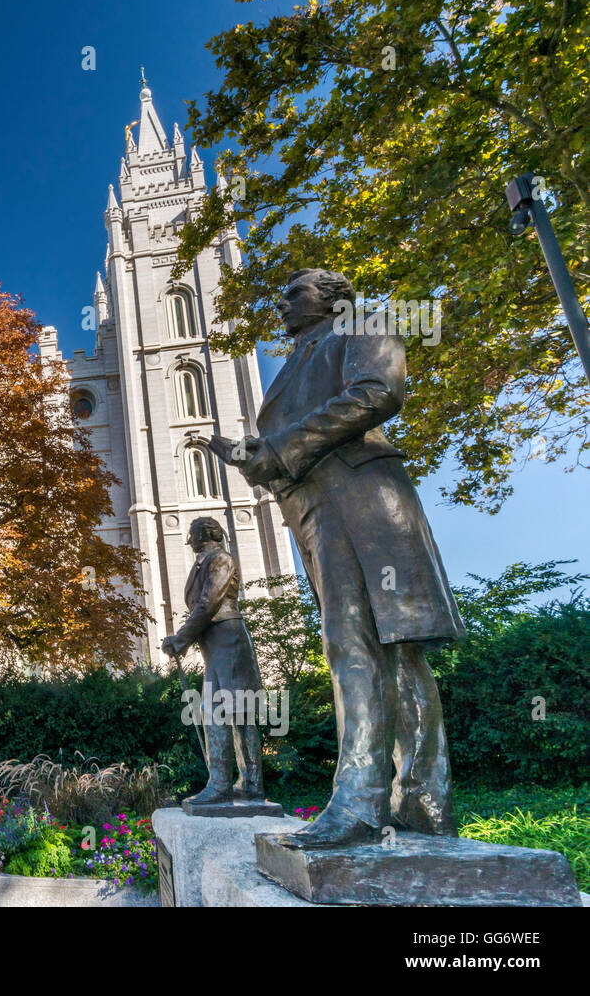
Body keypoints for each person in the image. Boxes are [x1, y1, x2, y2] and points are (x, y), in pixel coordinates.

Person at [225, 267, 464, 846]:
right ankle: (422, 804)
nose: (280, 304)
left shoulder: (363, 326)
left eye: (294, 293)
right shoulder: (296, 361)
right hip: (314, 509)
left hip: (359, 501)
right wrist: (261, 455)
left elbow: (378, 392)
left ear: (333, 298)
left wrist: (280, 448)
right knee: (379, 650)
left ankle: (362, 802)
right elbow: (292, 437)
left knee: (362, 645)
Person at [162, 517, 265, 804]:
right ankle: (249, 783)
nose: (189, 539)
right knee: (232, 711)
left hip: (227, 640)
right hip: (216, 643)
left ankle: (224, 784)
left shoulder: (219, 559)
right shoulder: (205, 561)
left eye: (192, 534)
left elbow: (209, 603)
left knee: (223, 711)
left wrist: (180, 639)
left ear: (205, 534)